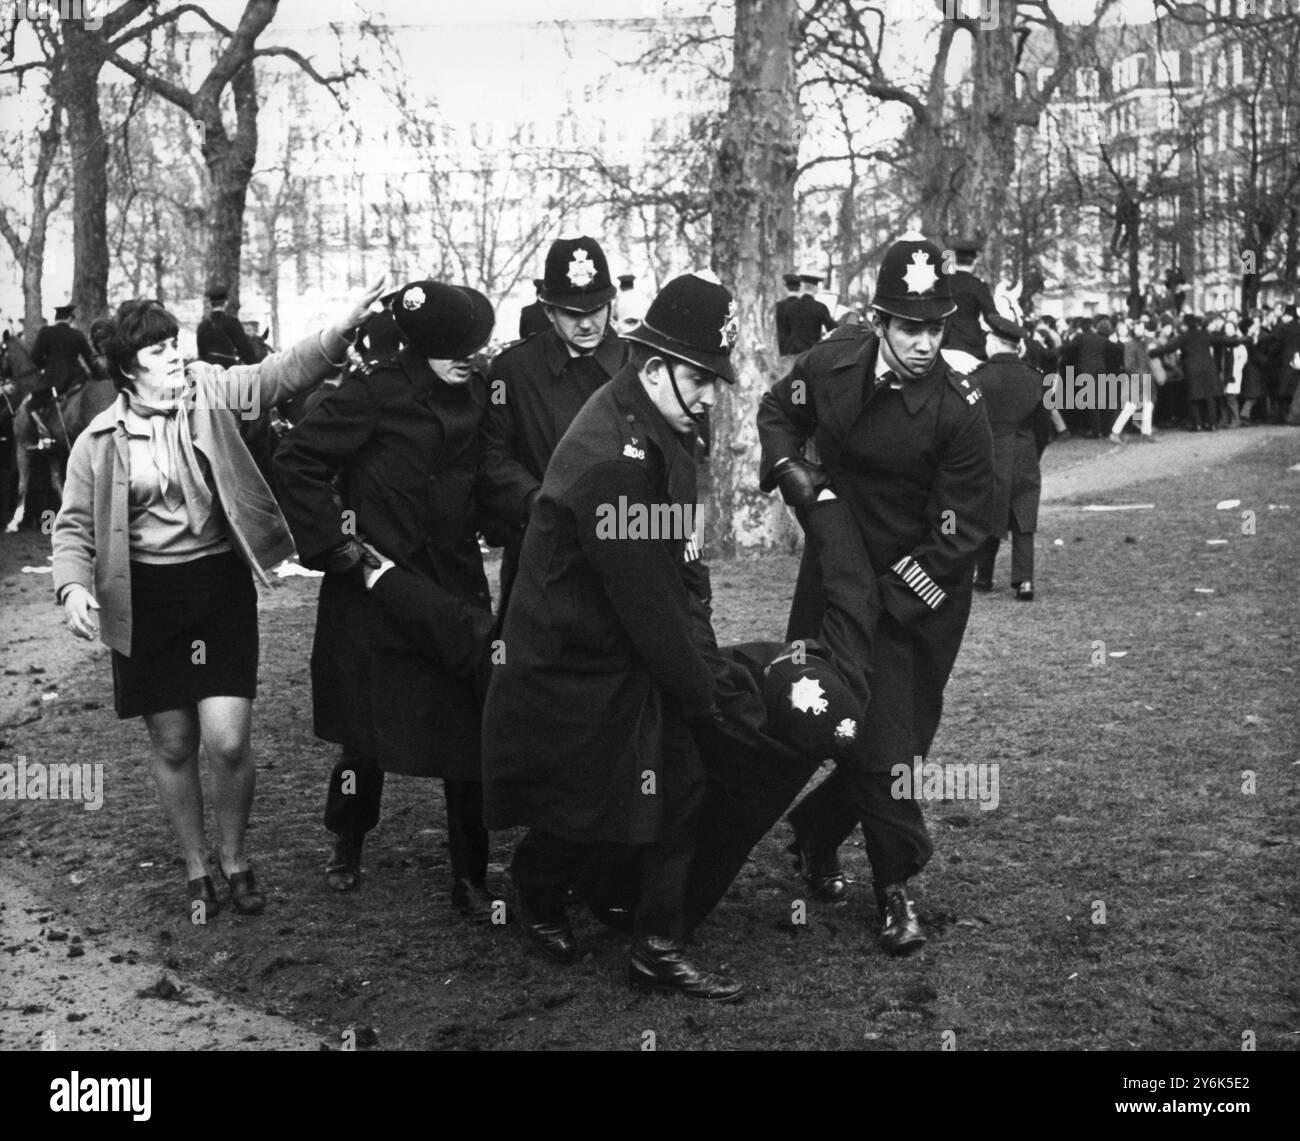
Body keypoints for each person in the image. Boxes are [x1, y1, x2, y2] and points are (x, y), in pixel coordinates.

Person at [51, 281, 383, 919]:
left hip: (217, 589)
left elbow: (281, 374)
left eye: (174, 342)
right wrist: (71, 586)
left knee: (227, 741)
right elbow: (72, 527)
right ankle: (197, 866)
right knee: (174, 743)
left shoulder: (212, 391)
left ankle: (235, 857)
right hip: (147, 601)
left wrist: (341, 328)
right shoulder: (98, 439)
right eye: (157, 351)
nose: (174, 355)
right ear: (127, 368)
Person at [482, 271, 744, 1001]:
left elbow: (681, 559)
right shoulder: (611, 463)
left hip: (615, 640)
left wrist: (702, 648)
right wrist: (702, 691)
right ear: (655, 368)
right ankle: (538, 885)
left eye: (715, 380)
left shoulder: (664, 423)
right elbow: (648, 602)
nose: (709, 395)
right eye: (699, 378)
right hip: (571, 659)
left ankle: (656, 944)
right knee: (583, 800)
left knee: (675, 779)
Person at [757, 232, 994, 955]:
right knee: (834, 722)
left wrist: (887, 598)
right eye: (909, 327)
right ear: (880, 321)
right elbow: (777, 412)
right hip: (835, 576)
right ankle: (894, 889)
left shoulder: (959, 408)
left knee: (897, 739)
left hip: (919, 592)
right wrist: (793, 474)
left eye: (935, 329)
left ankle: (816, 832)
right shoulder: (832, 364)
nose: (924, 344)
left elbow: (962, 532)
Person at [274, 280, 501, 919]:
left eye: (475, 347)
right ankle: (347, 840)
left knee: (469, 727)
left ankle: (470, 876)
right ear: (422, 345)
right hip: (374, 587)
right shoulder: (373, 392)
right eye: (456, 349)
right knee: (365, 734)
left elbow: (488, 474)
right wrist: (337, 545)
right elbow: (297, 459)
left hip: (451, 585)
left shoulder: (478, 392)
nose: (469, 358)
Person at [480, 236, 627, 620]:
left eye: (596, 309)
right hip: (541, 547)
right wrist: (537, 502)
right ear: (547, 310)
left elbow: (673, 465)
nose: (587, 323)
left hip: (624, 543)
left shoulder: (640, 365)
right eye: (572, 313)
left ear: (611, 305)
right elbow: (492, 455)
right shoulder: (510, 372)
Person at [971, 314, 1047, 600]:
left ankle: (983, 576)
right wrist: (1033, 453)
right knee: (1024, 519)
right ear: (1017, 346)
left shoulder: (978, 377)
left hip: (989, 451)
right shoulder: (1036, 378)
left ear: (993, 342)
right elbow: (1044, 429)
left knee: (988, 515)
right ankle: (1024, 581)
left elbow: (970, 424)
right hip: (1025, 450)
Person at [1151, 312, 1222, 431]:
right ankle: (1212, 423)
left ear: (1186, 324)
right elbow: (1221, 340)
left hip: (1192, 369)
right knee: (1209, 396)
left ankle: (1197, 424)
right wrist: (1243, 340)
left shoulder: (1184, 336)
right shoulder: (1204, 334)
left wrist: (1152, 352)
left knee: (1193, 397)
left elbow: (1169, 348)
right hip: (1208, 368)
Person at [942, 237, 1000, 373]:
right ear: (975, 261)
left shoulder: (943, 283)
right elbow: (991, 318)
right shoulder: (979, 286)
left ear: (954, 260)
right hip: (970, 344)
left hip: (943, 341)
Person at [31, 304, 105, 407]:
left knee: (31, 407)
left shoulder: (45, 332)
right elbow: (90, 360)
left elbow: (35, 356)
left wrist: (47, 364)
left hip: (52, 381)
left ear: (56, 319)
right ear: (69, 318)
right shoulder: (77, 334)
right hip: (76, 380)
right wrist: (101, 377)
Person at [1110, 318, 1158, 443]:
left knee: (1146, 405)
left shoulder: (1139, 343)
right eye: (1138, 328)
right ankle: (1116, 432)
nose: (1141, 330)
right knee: (1132, 406)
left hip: (1142, 378)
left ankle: (1145, 432)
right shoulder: (1134, 344)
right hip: (1138, 379)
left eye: (1142, 328)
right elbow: (1129, 365)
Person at [195, 287, 259, 368]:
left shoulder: (203, 326)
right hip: (227, 367)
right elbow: (244, 347)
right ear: (226, 303)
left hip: (208, 367)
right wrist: (254, 364)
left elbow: (202, 352)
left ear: (211, 304)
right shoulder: (232, 322)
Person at [358, 288, 403, 357]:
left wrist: (365, 355)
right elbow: (408, 344)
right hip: (391, 361)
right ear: (392, 302)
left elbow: (357, 342)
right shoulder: (396, 321)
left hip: (371, 361)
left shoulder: (371, 319)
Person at [774, 271, 802, 361]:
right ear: (799, 288)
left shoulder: (778, 306)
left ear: (786, 288)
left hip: (783, 348)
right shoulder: (806, 306)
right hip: (803, 351)